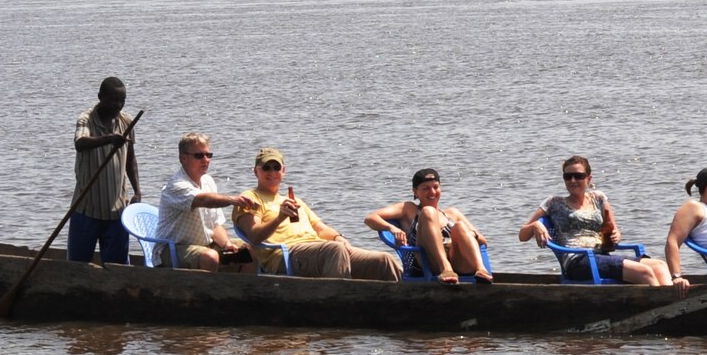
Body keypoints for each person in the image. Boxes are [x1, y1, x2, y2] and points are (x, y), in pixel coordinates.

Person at [233, 148, 402, 280]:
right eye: (266, 167)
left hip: (318, 249)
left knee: (383, 260)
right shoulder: (250, 198)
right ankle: (340, 304)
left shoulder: (294, 200)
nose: (271, 172)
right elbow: (254, 237)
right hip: (286, 255)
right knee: (334, 250)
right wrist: (279, 217)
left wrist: (338, 237)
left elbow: (320, 228)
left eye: (276, 167)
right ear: (256, 171)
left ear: (283, 170)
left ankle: (407, 305)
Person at [518, 155, 673, 285]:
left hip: (601, 256)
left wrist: (616, 235)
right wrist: (536, 225)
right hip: (577, 261)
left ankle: (672, 309)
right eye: (567, 176)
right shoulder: (553, 202)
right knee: (644, 272)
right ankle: (661, 310)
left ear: (588, 178)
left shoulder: (598, 197)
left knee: (660, 266)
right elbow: (522, 236)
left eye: (578, 176)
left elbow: (613, 228)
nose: (572, 180)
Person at [365, 168, 495, 284]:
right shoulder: (408, 209)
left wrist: (468, 234)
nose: (432, 192)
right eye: (425, 188)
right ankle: (445, 268)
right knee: (428, 211)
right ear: (415, 192)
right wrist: (392, 229)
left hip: (458, 262)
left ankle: (481, 271)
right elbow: (370, 218)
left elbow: (483, 241)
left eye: (435, 187)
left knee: (460, 226)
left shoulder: (452, 213)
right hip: (427, 262)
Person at [152, 132, 253, 271]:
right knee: (210, 256)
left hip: (205, 246)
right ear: (183, 158)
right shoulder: (176, 185)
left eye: (208, 155)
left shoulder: (208, 181)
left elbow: (215, 225)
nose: (205, 160)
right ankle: (207, 293)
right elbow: (203, 200)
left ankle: (243, 291)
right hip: (172, 249)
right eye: (199, 156)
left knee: (251, 251)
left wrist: (227, 244)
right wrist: (232, 200)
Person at [70, 76, 141, 264]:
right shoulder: (86, 120)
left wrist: (137, 191)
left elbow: (131, 159)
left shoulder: (127, 122)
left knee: (117, 268)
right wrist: (109, 139)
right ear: (100, 97)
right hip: (86, 209)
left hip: (116, 211)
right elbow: (80, 143)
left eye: (122, 100)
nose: (118, 105)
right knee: (78, 265)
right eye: (113, 100)